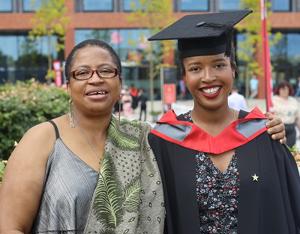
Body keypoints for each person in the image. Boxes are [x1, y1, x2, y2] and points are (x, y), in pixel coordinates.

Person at [148, 10, 300, 234]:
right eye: (195, 68)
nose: (208, 77)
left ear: (234, 70)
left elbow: (290, 209)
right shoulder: (164, 141)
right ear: (184, 78)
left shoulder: (264, 133)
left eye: (219, 65)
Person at [0, 39, 164, 234]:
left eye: (106, 70)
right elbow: (9, 227)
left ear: (120, 82)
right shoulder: (42, 138)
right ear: (68, 86)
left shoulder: (143, 139)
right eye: (82, 73)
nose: (95, 79)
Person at [272, 81, 300, 147]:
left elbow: (298, 118)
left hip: (291, 129)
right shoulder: (273, 100)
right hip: (278, 129)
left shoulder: (294, 101)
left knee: (290, 150)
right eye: (282, 89)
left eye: (286, 89)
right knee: (279, 149)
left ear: (289, 90)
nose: (284, 91)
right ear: (278, 90)